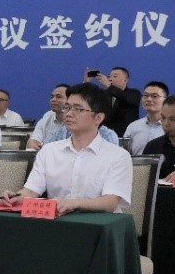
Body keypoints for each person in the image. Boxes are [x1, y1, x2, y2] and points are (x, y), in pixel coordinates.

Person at [8, 83, 132, 214]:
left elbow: (110, 202)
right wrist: (16, 197)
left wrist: (73, 203)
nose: (69, 114)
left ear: (98, 118)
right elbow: (31, 191)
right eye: (67, 107)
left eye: (78, 109)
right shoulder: (49, 151)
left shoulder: (118, 156)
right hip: (58, 222)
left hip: (101, 223)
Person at [123, 81, 168, 155]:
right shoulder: (133, 127)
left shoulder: (173, 127)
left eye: (154, 96)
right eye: (145, 95)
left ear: (166, 100)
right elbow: (124, 154)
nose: (149, 99)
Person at [27, 84, 69, 151]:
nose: (53, 99)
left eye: (58, 97)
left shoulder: (76, 119)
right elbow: (32, 142)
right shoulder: (47, 117)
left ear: (70, 100)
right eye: (52, 97)